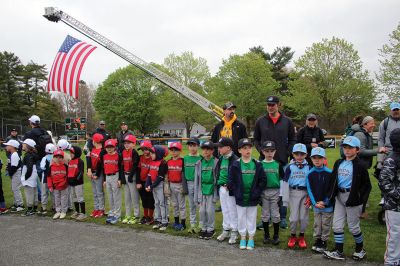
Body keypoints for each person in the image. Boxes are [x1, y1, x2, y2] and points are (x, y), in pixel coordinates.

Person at [324, 136, 371, 261]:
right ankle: (339, 251)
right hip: (339, 197)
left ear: (357, 150)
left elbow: (367, 186)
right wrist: (330, 196)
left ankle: (360, 250)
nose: (347, 150)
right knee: (337, 226)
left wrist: (362, 203)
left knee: (353, 227)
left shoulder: (360, 165)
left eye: (350, 148)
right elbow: (333, 180)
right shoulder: (339, 162)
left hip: (353, 198)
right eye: (345, 147)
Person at [254, 95, 296, 229]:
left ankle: (282, 217)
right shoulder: (260, 121)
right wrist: (261, 151)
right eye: (268, 104)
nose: (270, 107)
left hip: (281, 161)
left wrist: (287, 152)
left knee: (282, 191)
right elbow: (256, 139)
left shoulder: (287, 121)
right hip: (265, 162)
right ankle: (267, 218)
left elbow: (293, 139)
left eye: (273, 105)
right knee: (265, 189)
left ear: (278, 105)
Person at [229, 138, 266, 250]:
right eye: (244, 148)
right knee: (241, 217)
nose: (247, 150)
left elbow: (263, 180)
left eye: (249, 147)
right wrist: (236, 192)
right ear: (239, 150)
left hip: (252, 197)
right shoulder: (235, 164)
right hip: (240, 197)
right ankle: (243, 237)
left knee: (251, 217)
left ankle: (251, 237)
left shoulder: (257, 164)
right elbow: (231, 181)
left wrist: (257, 192)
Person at [378, 128, 400, 266]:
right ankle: (391, 261)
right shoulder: (391, 160)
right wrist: (398, 195)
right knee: (395, 234)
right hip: (394, 205)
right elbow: (384, 182)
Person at [282, 143, 310, 249]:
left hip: (304, 194)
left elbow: (310, 183)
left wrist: (310, 197)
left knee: (303, 217)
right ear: (293, 154)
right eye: (297, 154)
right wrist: (285, 200)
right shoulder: (290, 167)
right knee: (293, 218)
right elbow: (285, 183)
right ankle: (293, 236)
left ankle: (301, 236)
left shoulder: (309, 167)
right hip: (293, 193)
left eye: (302, 154)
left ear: (306, 155)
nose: (299, 156)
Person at [306, 147, 333, 253]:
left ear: (324, 159)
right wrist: (314, 203)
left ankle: (324, 241)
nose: (317, 160)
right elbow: (309, 189)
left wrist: (325, 202)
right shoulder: (310, 173)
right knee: (317, 223)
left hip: (327, 205)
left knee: (325, 224)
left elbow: (331, 190)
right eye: (314, 158)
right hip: (316, 205)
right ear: (311, 159)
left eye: (319, 158)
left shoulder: (330, 173)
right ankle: (317, 240)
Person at [353, 116, 379, 218]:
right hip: (359, 167)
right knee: (365, 188)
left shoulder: (365, 134)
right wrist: (377, 151)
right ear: (365, 124)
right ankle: (360, 212)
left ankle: (359, 211)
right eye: (372, 123)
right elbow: (361, 151)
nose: (374, 125)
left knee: (362, 189)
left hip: (362, 167)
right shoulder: (360, 134)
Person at [215, 137, 239, 244]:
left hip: (230, 189)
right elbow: (218, 172)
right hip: (222, 188)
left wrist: (230, 185)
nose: (219, 149)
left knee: (232, 210)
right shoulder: (221, 158)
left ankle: (234, 231)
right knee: (225, 210)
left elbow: (237, 176)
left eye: (221, 147)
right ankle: (226, 229)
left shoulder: (235, 159)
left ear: (228, 148)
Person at [260, 141, 284, 245]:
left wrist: (281, 195)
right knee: (265, 214)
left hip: (275, 191)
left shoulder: (278, 164)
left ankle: (276, 235)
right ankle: (266, 235)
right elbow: (258, 180)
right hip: (264, 191)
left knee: (275, 214)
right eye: (267, 151)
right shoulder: (260, 164)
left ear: (275, 152)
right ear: (262, 152)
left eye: (271, 151)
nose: (269, 153)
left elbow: (282, 180)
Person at [194, 141, 218, 240]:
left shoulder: (216, 162)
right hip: (202, 190)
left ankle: (211, 229)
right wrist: (196, 195)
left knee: (209, 211)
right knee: (202, 211)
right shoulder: (199, 163)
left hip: (211, 190)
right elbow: (197, 180)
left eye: (208, 149)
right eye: (204, 149)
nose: (205, 151)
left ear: (212, 150)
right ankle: (204, 228)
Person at [145, 145, 168, 231]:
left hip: (160, 185)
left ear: (158, 154)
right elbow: (149, 175)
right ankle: (158, 220)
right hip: (154, 186)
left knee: (162, 203)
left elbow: (160, 177)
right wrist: (147, 185)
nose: (151, 155)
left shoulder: (163, 163)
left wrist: (151, 186)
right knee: (156, 203)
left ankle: (164, 221)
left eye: (152, 153)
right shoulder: (152, 162)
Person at [182, 138, 202, 233]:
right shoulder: (185, 158)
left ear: (198, 146)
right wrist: (184, 186)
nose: (192, 148)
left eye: (194, 146)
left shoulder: (201, 158)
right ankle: (193, 224)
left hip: (199, 184)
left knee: (200, 205)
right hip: (189, 183)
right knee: (191, 205)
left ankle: (201, 224)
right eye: (190, 146)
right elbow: (183, 174)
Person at [102, 139, 123, 225]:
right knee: (110, 195)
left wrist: (120, 179)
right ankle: (112, 212)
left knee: (116, 196)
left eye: (111, 147)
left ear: (115, 147)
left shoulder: (118, 156)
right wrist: (104, 180)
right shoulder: (104, 156)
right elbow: (104, 168)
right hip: (107, 177)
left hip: (115, 175)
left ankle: (117, 214)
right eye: (107, 147)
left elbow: (121, 168)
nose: (109, 149)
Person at [167, 142, 186, 231]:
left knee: (181, 205)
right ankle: (176, 221)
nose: (174, 152)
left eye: (176, 150)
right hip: (171, 185)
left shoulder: (182, 161)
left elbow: (184, 174)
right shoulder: (169, 161)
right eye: (172, 150)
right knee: (174, 204)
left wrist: (183, 185)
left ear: (180, 151)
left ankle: (183, 223)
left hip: (180, 185)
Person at [121, 135, 140, 225]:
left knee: (134, 197)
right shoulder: (123, 152)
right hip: (125, 175)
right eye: (125, 143)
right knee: (127, 197)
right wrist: (122, 178)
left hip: (132, 176)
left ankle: (136, 215)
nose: (126, 145)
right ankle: (128, 215)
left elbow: (135, 164)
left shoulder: (134, 152)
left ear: (133, 144)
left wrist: (131, 175)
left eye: (129, 143)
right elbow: (121, 165)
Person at [87, 133, 106, 218]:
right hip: (92, 173)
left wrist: (97, 175)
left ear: (95, 141)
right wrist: (89, 170)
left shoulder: (103, 151)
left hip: (99, 173)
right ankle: (96, 208)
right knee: (95, 192)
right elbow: (89, 160)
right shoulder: (93, 149)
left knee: (99, 192)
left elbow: (101, 165)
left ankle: (101, 209)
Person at [377, 102, 400, 173]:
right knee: (388, 173)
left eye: (397, 109)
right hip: (388, 152)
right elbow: (381, 138)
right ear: (390, 110)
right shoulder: (384, 122)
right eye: (394, 110)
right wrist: (381, 148)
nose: (396, 111)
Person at [136, 140, 155, 225]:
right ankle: (145, 216)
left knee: (150, 200)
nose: (144, 151)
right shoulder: (141, 158)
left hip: (150, 183)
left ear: (150, 149)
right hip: (142, 182)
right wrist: (138, 182)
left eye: (146, 149)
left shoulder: (153, 158)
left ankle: (150, 216)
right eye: (143, 149)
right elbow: (138, 170)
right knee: (144, 199)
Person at [4, 139, 24, 212]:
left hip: (16, 173)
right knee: (14, 188)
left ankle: (20, 205)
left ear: (12, 146)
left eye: (7, 145)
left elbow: (14, 167)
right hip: (15, 173)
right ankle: (16, 204)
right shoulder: (12, 154)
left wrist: (10, 173)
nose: (6, 146)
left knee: (16, 189)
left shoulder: (15, 154)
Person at [48, 149, 69, 220]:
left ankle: (64, 211)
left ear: (63, 158)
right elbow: (49, 177)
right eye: (56, 157)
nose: (58, 159)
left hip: (64, 185)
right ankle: (58, 211)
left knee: (64, 198)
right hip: (55, 186)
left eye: (60, 157)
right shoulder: (51, 166)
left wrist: (64, 183)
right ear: (53, 157)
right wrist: (50, 185)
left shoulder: (65, 166)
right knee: (56, 199)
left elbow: (67, 176)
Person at [21, 139, 40, 216]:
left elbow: (29, 167)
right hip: (33, 175)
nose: (22, 145)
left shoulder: (28, 155)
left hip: (29, 176)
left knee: (29, 193)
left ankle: (29, 209)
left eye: (24, 144)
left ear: (27, 146)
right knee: (34, 192)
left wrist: (25, 177)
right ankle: (35, 208)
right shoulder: (33, 154)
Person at [68, 146, 86, 221]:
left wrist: (76, 179)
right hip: (71, 182)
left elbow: (81, 172)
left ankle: (83, 213)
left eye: (72, 153)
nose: (71, 154)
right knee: (74, 197)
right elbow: (69, 171)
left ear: (77, 153)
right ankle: (77, 212)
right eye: (70, 153)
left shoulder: (80, 161)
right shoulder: (70, 161)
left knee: (80, 197)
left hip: (78, 182)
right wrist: (69, 179)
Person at [39, 143, 56, 215]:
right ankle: (54, 207)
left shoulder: (44, 158)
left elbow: (42, 167)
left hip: (45, 178)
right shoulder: (55, 157)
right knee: (53, 193)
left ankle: (44, 207)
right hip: (54, 178)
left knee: (44, 193)